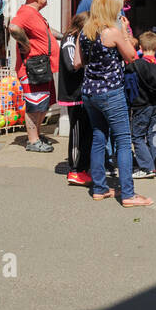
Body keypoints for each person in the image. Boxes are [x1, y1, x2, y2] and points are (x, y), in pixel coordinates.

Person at [74, 0, 149, 207]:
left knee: (99, 137)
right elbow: (132, 57)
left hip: (90, 92)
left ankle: (99, 188)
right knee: (123, 141)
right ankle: (128, 194)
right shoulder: (111, 32)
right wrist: (124, 31)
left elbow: (78, 62)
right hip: (111, 92)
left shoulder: (85, 32)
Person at [9, 0, 59, 153]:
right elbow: (14, 27)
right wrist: (26, 44)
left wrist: (64, 34)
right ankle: (33, 140)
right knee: (35, 103)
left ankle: (36, 136)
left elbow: (46, 31)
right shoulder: (26, 12)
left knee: (43, 103)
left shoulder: (34, 14)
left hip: (41, 66)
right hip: (33, 67)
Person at [129, 30, 156, 178]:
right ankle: (153, 164)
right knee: (154, 135)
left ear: (140, 47)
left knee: (137, 136)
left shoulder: (138, 64)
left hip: (141, 105)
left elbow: (127, 69)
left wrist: (137, 54)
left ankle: (146, 167)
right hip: (155, 104)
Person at [58, 12, 91, 185]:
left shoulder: (76, 39)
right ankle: (75, 170)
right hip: (74, 94)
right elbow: (72, 65)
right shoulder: (70, 40)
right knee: (77, 132)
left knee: (86, 132)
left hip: (82, 93)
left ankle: (83, 167)